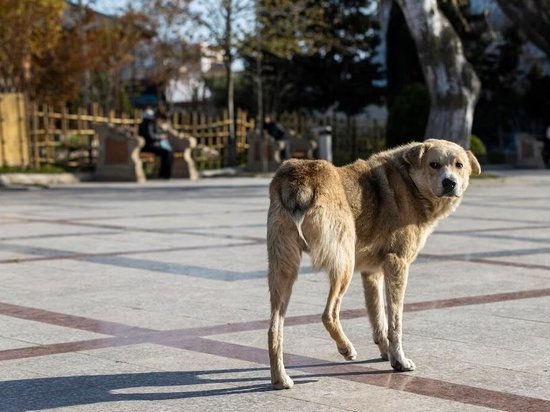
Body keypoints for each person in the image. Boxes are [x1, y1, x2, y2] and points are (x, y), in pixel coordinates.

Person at [138, 109, 174, 179]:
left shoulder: (147, 123)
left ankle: (164, 174)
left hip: (151, 145)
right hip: (148, 146)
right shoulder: (148, 124)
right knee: (167, 152)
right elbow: (151, 136)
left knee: (168, 152)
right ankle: (164, 174)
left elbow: (155, 133)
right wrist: (160, 137)